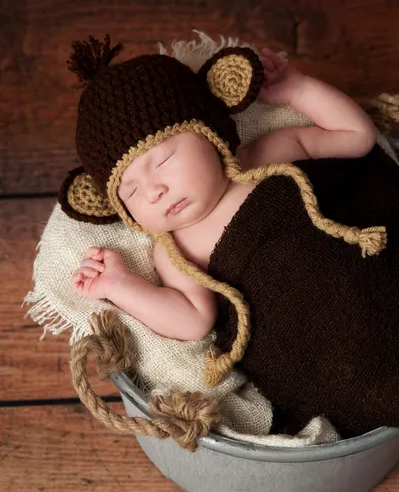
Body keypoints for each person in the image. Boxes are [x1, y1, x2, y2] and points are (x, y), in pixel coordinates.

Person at [60, 36, 399, 437]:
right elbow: (192, 321)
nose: (154, 190)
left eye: (164, 160)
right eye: (130, 190)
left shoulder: (266, 155)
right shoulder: (173, 248)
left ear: (210, 133)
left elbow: (355, 135)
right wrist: (121, 285)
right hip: (321, 355)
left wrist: (297, 88)